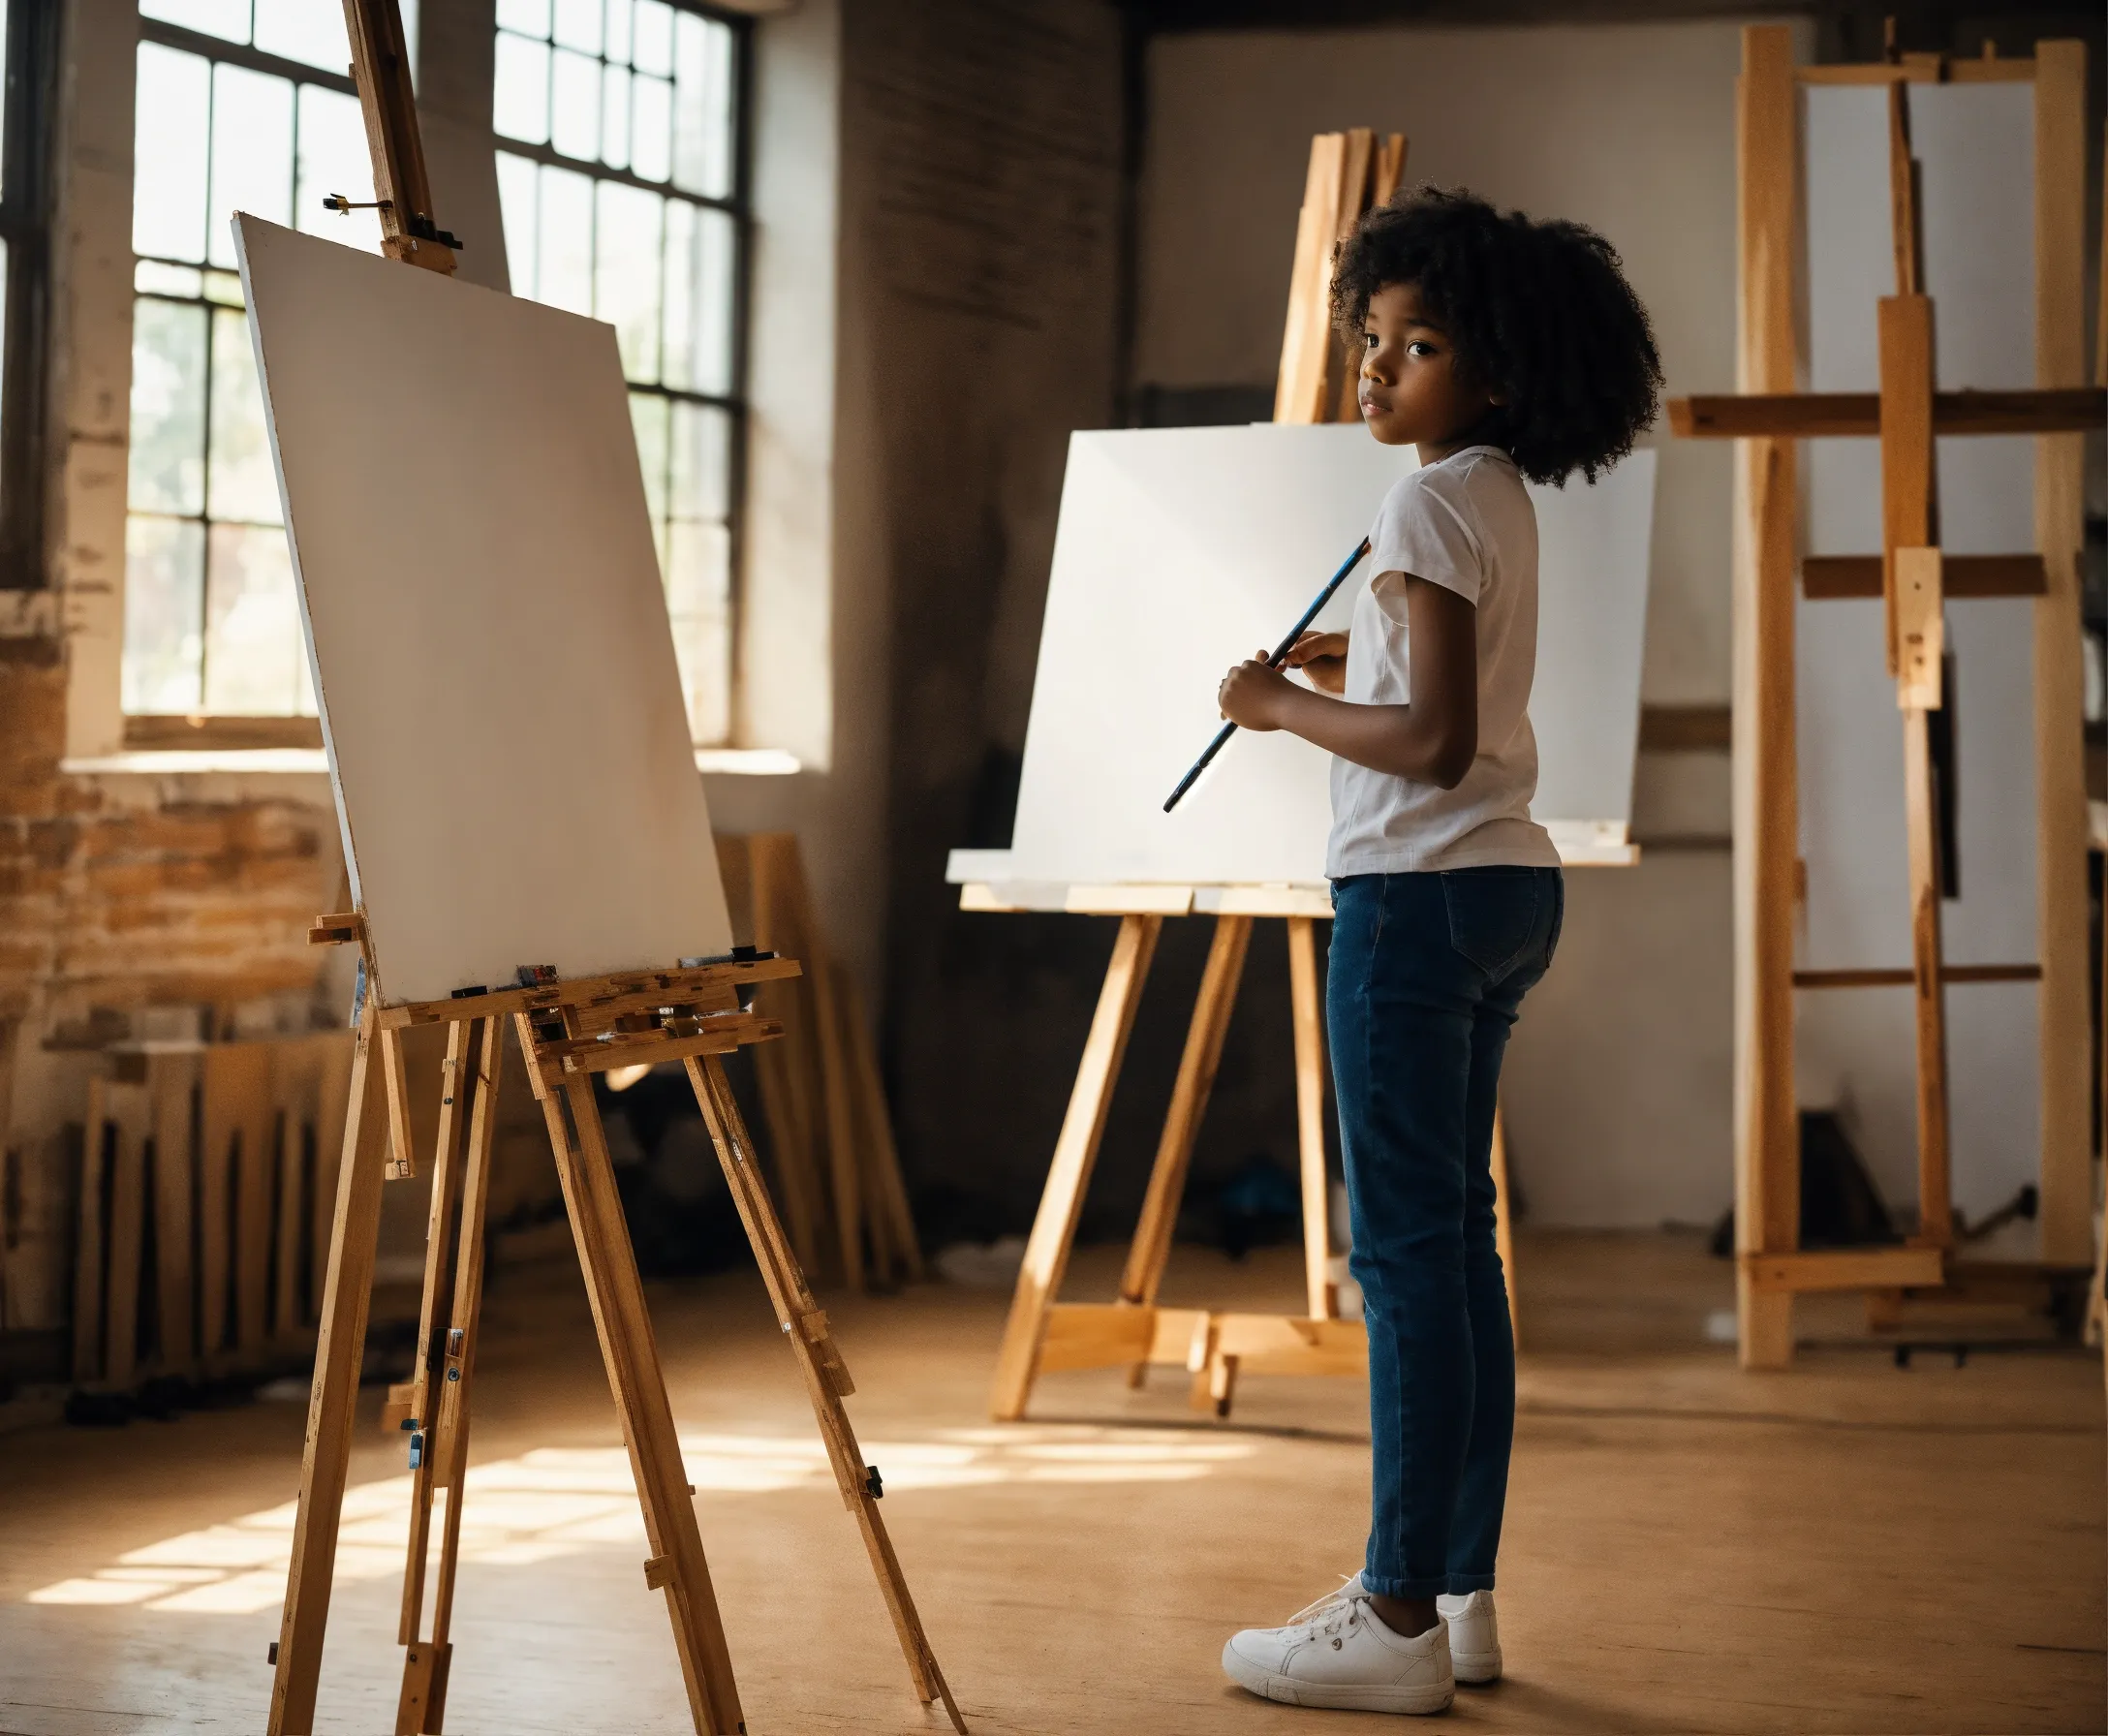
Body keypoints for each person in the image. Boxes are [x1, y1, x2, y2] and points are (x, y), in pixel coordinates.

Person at [1213, 187, 1661, 1716]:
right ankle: (1458, 1597)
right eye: (1371, 339)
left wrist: (1282, 709)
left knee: (1405, 1264)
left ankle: (1393, 1610)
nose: (1377, 367)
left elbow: (1427, 737)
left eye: (1418, 344)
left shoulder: (1416, 506)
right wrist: (1357, 662)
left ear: (1500, 372)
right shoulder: (1490, 494)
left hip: (1410, 901)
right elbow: (1436, 690)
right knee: (1456, 1257)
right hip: (1505, 893)